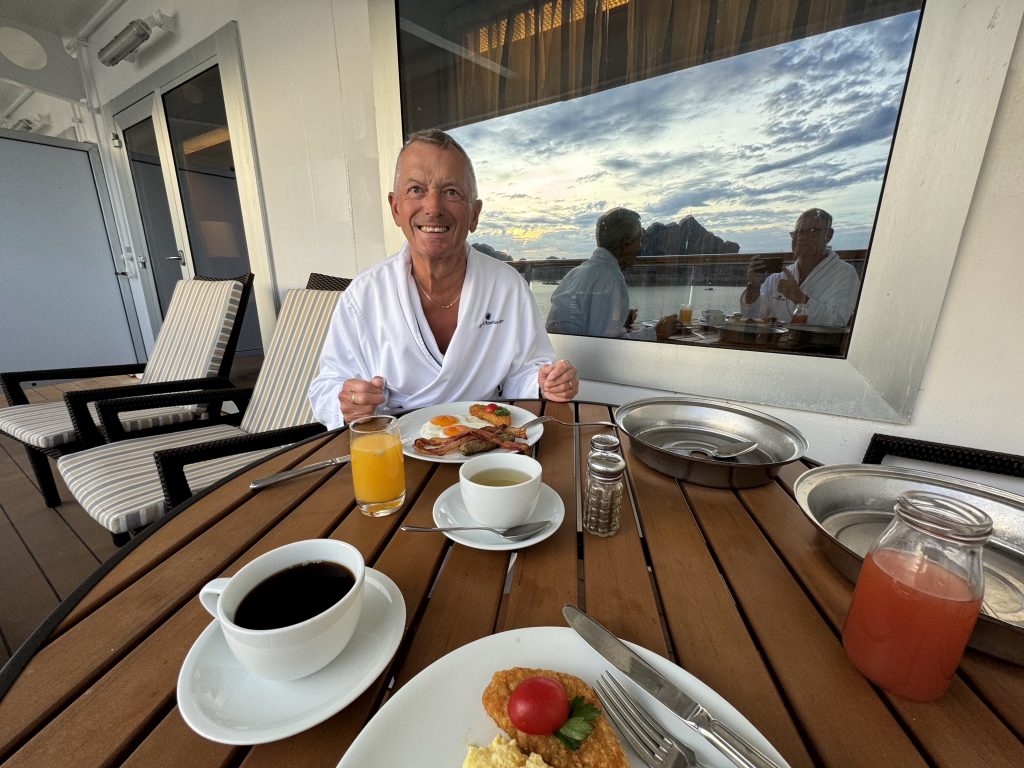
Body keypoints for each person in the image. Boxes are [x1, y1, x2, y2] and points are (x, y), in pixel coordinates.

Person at [308, 129, 578, 429]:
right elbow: (326, 387)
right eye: (416, 190)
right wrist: (348, 401)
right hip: (394, 443)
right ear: (395, 208)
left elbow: (526, 371)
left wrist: (547, 382)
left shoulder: (507, 286)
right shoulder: (364, 295)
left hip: (487, 441)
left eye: (451, 192)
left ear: (474, 214)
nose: (433, 207)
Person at [545, 207, 676, 341]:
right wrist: (657, 333)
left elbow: (585, 321)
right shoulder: (611, 278)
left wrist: (617, 319)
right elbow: (607, 344)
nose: (640, 247)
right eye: (639, 240)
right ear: (625, 243)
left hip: (560, 349)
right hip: (578, 353)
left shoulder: (578, 272)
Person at [741, 208, 860, 326]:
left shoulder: (845, 274)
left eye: (812, 231)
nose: (801, 237)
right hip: (777, 338)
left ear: (828, 235)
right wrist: (754, 287)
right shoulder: (776, 279)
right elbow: (751, 318)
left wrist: (799, 298)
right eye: (797, 232)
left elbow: (839, 321)